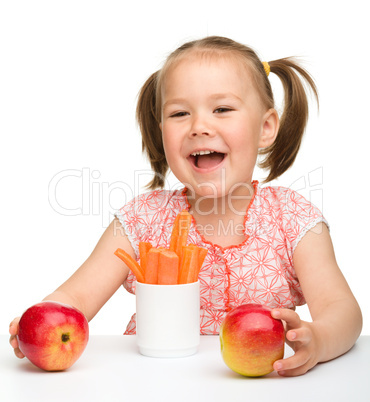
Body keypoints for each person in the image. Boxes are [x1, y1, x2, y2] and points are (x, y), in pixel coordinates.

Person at [9, 36, 362, 376]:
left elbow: (342, 311)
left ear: (266, 127)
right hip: (154, 382)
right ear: (161, 129)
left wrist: (319, 340)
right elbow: (75, 296)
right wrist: (40, 323)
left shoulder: (293, 218)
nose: (199, 126)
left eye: (222, 109)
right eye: (179, 114)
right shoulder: (141, 219)